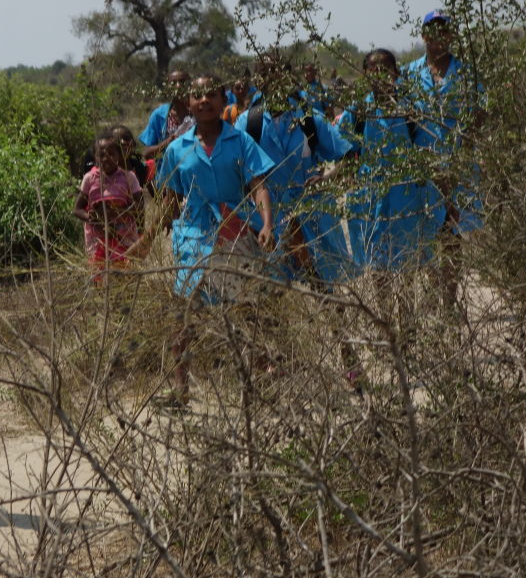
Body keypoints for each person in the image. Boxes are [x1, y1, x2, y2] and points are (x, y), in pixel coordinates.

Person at [155, 74, 276, 403]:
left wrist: (266, 223)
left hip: (235, 234)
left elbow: (258, 185)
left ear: (224, 101)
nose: (204, 100)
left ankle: (260, 382)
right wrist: (152, 232)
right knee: (183, 314)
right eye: (197, 95)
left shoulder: (240, 142)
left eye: (211, 94)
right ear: (189, 102)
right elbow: (169, 197)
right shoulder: (178, 147)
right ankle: (180, 390)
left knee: (247, 310)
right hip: (193, 236)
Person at [236, 54, 354, 285]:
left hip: (312, 210)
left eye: (279, 72)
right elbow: (237, 172)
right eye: (267, 73)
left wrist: (326, 178)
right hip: (267, 215)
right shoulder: (248, 123)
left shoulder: (308, 117)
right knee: (275, 285)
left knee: (323, 281)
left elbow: (349, 155)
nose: (274, 78)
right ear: (258, 80)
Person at [402, 9, 485, 305]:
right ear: (424, 35)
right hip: (422, 166)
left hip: (457, 162)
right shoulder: (410, 74)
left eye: (444, 31)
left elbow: (479, 112)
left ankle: (449, 297)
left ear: (451, 35)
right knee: (425, 230)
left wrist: (462, 155)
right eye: (433, 32)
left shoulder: (465, 72)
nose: (439, 38)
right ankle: (433, 289)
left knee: (452, 230)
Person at [338, 49, 446, 274]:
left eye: (385, 70)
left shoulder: (412, 110)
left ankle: (405, 311)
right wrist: (335, 177)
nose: (380, 76)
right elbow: (345, 151)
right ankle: (383, 311)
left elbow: (428, 153)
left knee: (405, 265)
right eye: (374, 71)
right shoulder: (358, 112)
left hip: (406, 199)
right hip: (370, 198)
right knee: (377, 267)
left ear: (396, 73)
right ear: (366, 75)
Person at [76, 134, 146, 277]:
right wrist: (91, 218)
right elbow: (77, 209)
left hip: (124, 237)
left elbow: (140, 205)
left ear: (119, 156)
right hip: (97, 239)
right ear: (95, 157)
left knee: (124, 275)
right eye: (101, 155)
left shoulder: (128, 177)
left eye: (111, 154)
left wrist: (120, 212)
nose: (106, 158)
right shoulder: (90, 179)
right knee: (100, 277)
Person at [138, 70, 195, 159]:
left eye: (182, 82)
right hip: (169, 170)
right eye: (173, 83)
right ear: (167, 88)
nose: (178, 86)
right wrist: (167, 142)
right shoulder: (159, 115)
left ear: (191, 86)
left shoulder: (198, 112)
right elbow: (147, 154)